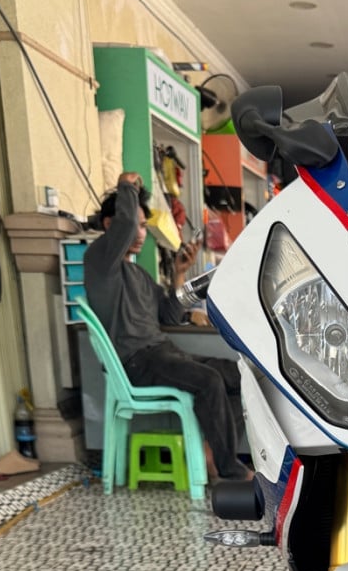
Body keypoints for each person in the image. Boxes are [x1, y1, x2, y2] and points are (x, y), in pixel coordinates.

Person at [84, 172, 251, 482]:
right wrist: (126, 186)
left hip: (163, 353)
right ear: (110, 225)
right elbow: (123, 226)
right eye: (135, 225)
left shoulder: (140, 276)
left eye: (144, 226)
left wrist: (179, 274)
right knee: (209, 381)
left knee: (241, 377)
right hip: (137, 360)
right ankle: (229, 470)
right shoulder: (100, 262)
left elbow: (170, 316)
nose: (140, 233)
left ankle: (214, 454)